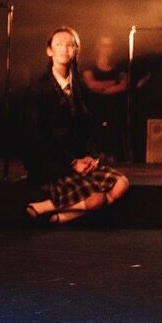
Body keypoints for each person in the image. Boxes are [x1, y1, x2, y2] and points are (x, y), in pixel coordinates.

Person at [22, 27, 130, 224]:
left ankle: (56, 213)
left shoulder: (80, 86)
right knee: (96, 199)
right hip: (52, 162)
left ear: (76, 50)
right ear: (49, 51)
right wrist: (71, 162)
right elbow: (37, 137)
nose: (65, 49)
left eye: (70, 45)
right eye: (59, 44)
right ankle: (45, 208)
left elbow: (87, 128)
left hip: (79, 159)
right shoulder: (38, 88)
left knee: (121, 184)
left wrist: (91, 156)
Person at [81, 34, 133, 163]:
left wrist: (103, 89)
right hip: (94, 109)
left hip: (114, 110)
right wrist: (113, 83)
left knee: (113, 141)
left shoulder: (119, 66)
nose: (107, 48)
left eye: (109, 45)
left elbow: (124, 85)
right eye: (104, 45)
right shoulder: (89, 65)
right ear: (97, 47)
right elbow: (91, 84)